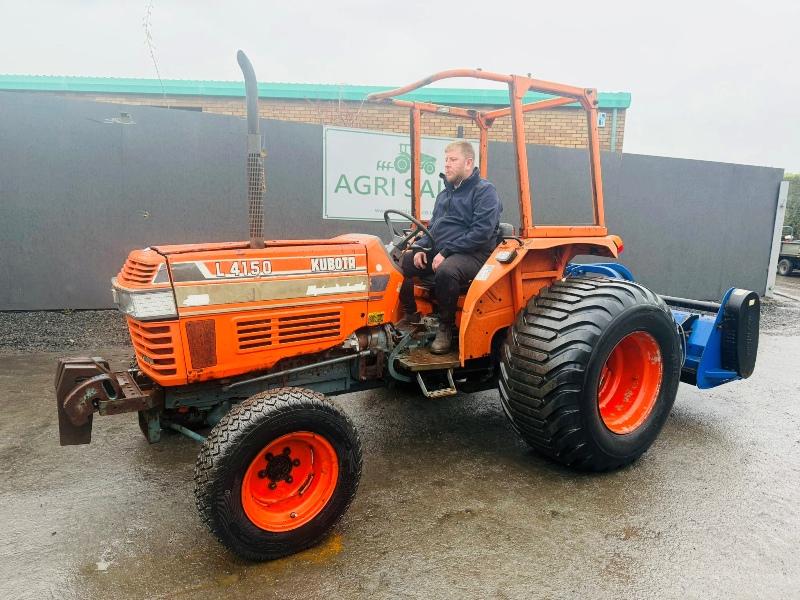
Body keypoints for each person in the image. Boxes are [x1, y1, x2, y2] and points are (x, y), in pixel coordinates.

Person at [397, 140, 502, 354]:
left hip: (476, 253)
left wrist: (446, 252)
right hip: (447, 251)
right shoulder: (444, 195)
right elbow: (434, 228)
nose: (447, 165)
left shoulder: (485, 191)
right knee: (403, 262)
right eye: (446, 160)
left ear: (468, 162)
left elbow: (481, 232)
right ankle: (411, 315)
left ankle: (446, 328)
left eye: (452, 160)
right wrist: (420, 247)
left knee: (446, 270)